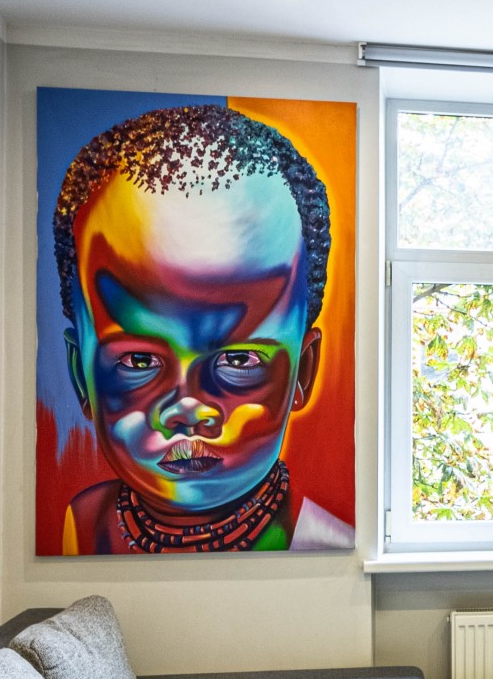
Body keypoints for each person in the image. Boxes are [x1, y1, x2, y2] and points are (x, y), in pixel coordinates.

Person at [52, 104, 348, 553]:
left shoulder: (323, 546)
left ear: (302, 370)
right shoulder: (83, 522)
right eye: (139, 361)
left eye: (238, 360)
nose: (187, 408)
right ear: (81, 374)